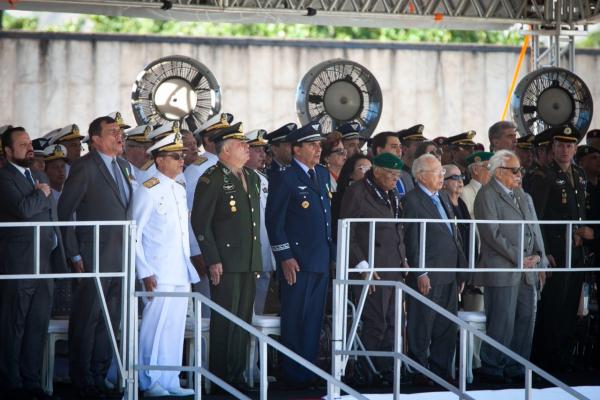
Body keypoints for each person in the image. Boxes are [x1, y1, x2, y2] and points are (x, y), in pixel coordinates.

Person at [58, 116, 133, 398]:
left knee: (111, 319)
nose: (119, 137)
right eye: (113, 132)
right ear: (96, 139)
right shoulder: (84, 167)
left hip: (120, 255)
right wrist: (74, 252)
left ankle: (100, 375)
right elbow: (65, 212)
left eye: (120, 132)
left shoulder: (124, 166)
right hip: (93, 254)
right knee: (87, 317)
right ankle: (82, 378)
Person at [191, 121, 262, 391]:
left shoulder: (252, 178)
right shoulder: (212, 178)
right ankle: (220, 377)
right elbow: (201, 223)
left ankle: (238, 374)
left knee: (243, 319)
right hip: (226, 262)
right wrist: (212, 258)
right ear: (226, 150)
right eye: (242, 145)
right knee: (225, 320)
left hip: (248, 261)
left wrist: (256, 258)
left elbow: (253, 223)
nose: (247, 149)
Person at [265, 121, 335, 389]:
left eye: (319, 145)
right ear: (296, 149)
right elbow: (275, 221)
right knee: (296, 317)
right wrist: (284, 257)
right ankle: (293, 373)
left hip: (319, 258)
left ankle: (308, 369)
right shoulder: (285, 177)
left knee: (315, 318)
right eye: (312, 145)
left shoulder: (322, 174)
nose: (318, 149)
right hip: (297, 260)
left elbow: (326, 217)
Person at [0, 127, 67, 400]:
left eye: (29, 142)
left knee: (37, 325)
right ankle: (11, 382)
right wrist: (40, 194)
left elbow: (51, 219)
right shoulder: (4, 179)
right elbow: (24, 210)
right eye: (22, 144)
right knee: (14, 324)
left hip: (44, 263)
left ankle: (32, 381)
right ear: (7, 151)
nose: (29, 147)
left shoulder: (38, 176)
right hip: (19, 263)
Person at [133, 132, 200, 397]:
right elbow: (134, 234)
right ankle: (149, 381)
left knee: (174, 329)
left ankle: (170, 380)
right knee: (154, 327)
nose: (181, 160)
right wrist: (145, 271)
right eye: (175, 156)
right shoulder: (148, 190)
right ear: (159, 160)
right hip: (158, 271)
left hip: (179, 270)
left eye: (181, 156)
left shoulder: (179, 189)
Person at [473, 150, 547, 383]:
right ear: (498, 172)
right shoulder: (487, 194)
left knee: (526, 319)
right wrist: (518, 257)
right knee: (501, 321)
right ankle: (493, 367)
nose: (519, 174)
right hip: (503, 269)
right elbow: (491, 234)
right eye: (514, 170)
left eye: (520, 170)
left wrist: (539, 256)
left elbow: (534, 228)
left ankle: (516, 367)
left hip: (527, 270)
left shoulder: (522, 195)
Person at [339, 153, 408, 385]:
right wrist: (362, 264)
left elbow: (398, 229)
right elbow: (347, 231)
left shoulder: (392, 193)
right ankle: (368, 370)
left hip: (393, 266)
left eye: (398, 176)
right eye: (390, 175)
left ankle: (387, 369)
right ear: (377, 171)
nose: (394, 180)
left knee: (393, 321)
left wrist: (403, 257)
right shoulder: (358, 192)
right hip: (371, 268)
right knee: (375, 321)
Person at [528, 125, 591, 372]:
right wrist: (544, 252)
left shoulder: (579, 174)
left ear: (575, 148)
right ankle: (547, 358)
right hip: (555, 252)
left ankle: (563, 356)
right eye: (560, 145)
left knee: (569, 306)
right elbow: (538, 218)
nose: (564, 150)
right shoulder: (545, 176)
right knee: (552, 305)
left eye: (569, 145)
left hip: (575, 251)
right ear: (552, 148)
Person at [402, 154, 467, 382]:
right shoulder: (411, 200)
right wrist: (420, 271)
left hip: (449, 273)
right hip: (428, 274)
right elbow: (412, 240)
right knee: (422, 324)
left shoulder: (442, 197)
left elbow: (454, 234)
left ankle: (441, 372)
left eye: (442, 171)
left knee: (446, 326)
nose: (442, 175)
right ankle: (419, 373)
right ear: (420, 176)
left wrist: (461, 269)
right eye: (437, 172)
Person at [185, 113, 233, 316]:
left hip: (229, 252)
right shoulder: (196, 170)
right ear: (207, 140)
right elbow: (189, 215)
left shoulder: (231, 166)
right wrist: (197, 252)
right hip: (207, 252)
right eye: (222, 136)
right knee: (208, 316)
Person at [244, 128, 276, 314]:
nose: (262, 155)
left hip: (264, 253)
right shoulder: (236, 179)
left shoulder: (263, 179)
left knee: (260, 309)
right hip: (247, 255)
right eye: (257, 150)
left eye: (263, 151)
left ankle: (256, 344)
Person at [331, 153, 372, 240]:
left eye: (370, 169)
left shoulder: (378, 197)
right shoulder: (338, 199)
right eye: (362, 168)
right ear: (350, 174)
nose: (368, 173)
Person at [442, 164, 472, 260]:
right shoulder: (441, 204)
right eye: (455, 177)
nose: (460, 181)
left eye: (461, 177)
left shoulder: (461, 203)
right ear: (443, 182)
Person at [372, 131, 414, 197]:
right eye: (394, 147)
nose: (399, 151)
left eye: (400, 147)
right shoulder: (370, 179)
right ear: (380, 150)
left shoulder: (406, 176)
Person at [460, 151, 492, 217]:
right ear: (475, 170)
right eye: (489, 167)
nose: (492, 172)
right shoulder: (464, 192)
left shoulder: (493, 192)